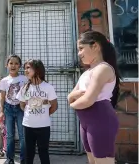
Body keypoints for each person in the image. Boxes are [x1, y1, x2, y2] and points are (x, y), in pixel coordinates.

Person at [68, 31, 120, 164]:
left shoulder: (103, 68)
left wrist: (72, 104)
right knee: (92, 161)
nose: (79, 53)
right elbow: (71, 96)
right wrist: (72, 98)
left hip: (100, 120)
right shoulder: (87, 72)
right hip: (86, 122)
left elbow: (87, 100)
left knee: (103, 161)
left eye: (81, 48)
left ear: (95, 46)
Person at [16, 59, 58, 164]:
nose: (25, 70)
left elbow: (54, 106)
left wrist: (43, 114)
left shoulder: (48, 87)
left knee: (43, 152)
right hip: (28, 125)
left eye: (28, 68)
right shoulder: (25, 88)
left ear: (38, 69)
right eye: (25, 68)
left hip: (43, 126)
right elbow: (22, 105)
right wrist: (30, 113)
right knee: (28, 153)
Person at [0, 55, 27, 164]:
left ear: (19, 66)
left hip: (21, 108)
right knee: (9, 135)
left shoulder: (24, 79)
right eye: (11, 63)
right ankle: (9, 159)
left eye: (16, 63)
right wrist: (1, 111)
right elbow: (2, 97)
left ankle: (24, 159)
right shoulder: (4, 81)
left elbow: (27, 94)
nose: (13, 65)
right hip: (8, 108)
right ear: (7, 65)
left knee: (22, 135)